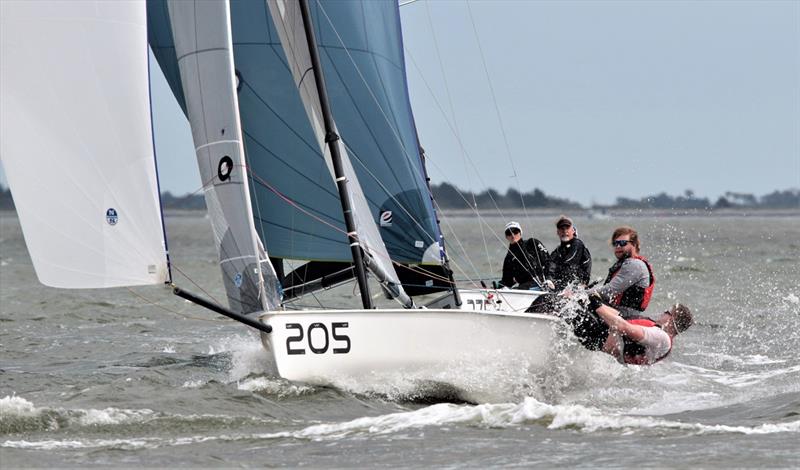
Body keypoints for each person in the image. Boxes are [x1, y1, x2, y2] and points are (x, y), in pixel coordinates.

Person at [571, 294, 693, 365]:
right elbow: (620, 318)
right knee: (577, 299)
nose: (663, 313)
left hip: (599, 337)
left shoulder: (661, 338)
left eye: (667, 312)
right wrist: (595, 301)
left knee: (567, 306)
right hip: (603, 334)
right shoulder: (660, 335)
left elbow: (622, 327)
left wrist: (595, 303)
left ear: (671, 320)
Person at [589, 226, 655, 319]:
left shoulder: (635, 265)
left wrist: (581, 294)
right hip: (616, 312)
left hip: (625, 317)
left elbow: (609, 291)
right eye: (615, 244)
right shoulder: (625, 263)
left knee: (579, 302)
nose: (618, 246)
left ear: (634, 244)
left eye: (623, 243)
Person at [499, 221, 550, 290]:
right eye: (509, 233)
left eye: (515, 232)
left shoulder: (532, 243)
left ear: (520, 233)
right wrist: (498, 286)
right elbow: (507, 281)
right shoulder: (509, 257)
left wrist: (549, 279)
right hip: (525, 286)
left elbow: (548, 261)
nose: (513, 235)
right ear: (506, 237)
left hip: (541, 283)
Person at [548, 215, 592, 291]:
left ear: (573, 231)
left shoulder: (578, 244)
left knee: (568, 269)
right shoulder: (558, 250)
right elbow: (550, 263)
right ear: (557, 232)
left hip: (578, 286)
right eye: (562, 229)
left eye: (567, 228)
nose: (565, 231)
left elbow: (571, 261)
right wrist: (549, 279)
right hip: (563, 285)